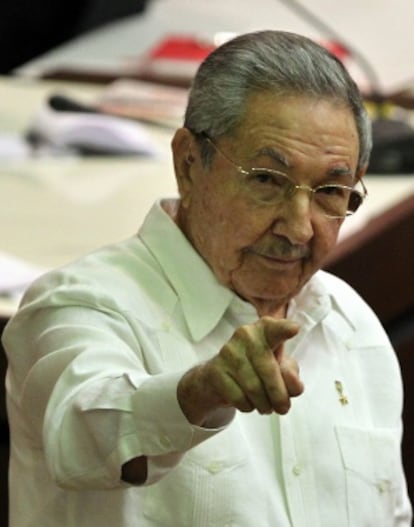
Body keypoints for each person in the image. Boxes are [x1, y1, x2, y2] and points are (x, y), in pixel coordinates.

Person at [2, 30, 412, 526]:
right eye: (266, 180)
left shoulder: (353, 328)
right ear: (189, 164)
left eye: (330, 189)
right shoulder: (80, 307)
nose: (299, 227)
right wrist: (200, 393)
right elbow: (82, 434)